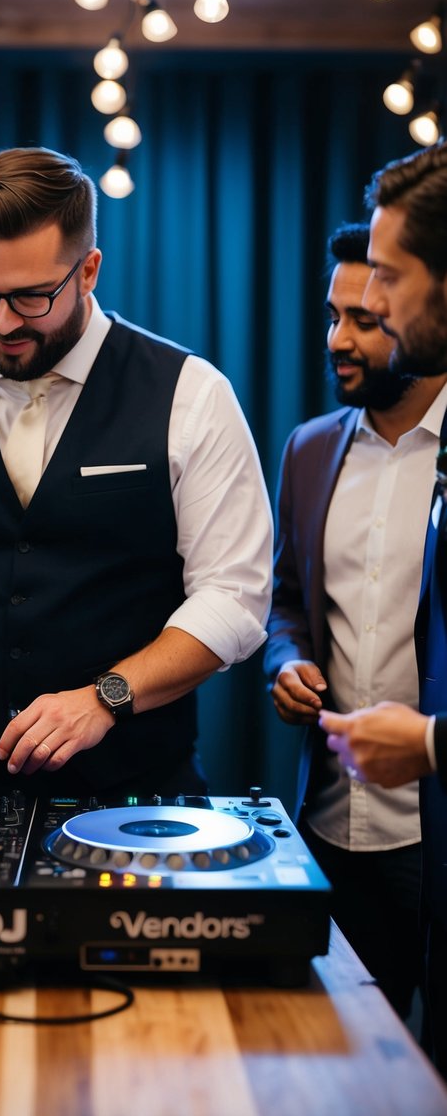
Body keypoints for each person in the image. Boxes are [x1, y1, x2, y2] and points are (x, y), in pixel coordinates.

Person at [0, 146, 273, 801]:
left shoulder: (190, 393)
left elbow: (233, 596)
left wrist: (105, 698)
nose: (3, 322)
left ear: (87, 271)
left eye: (32, 297)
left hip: (136, 786)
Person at [265, 221, 447, 1018]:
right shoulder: (307, 450)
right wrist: (282, 660)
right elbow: (285, 601)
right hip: (330, 822)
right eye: (332, 315)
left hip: (434, 830)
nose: (339, 338)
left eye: (365, 321)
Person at [317, 141, 447, 1075]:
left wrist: (432, 744)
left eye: (391, 280)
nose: (375, 309)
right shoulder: (308, 449)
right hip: (338, 820)